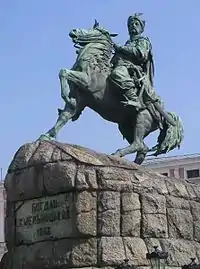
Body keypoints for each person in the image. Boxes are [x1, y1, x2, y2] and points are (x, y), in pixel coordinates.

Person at [110, 13, 155, 110]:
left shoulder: (143, 40)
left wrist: (120, 48)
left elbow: (140, 54)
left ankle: (135, 99)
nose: (132, 26)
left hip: (132, 70)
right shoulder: (128, 43)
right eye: (130, 25)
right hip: (120, 65)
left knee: (117, 74)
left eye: (136, 24)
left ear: (141, 28)